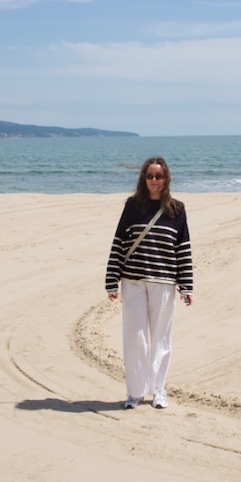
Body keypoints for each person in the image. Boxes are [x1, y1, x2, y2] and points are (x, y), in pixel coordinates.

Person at [105, 157, 193, 410]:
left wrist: (187, 286)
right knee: (135, 338)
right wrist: (111, 280)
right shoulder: (132, 206)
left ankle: (158, 390)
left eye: (159, 176)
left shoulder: (177, 209)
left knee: (161, 339)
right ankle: (134, 393)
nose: (154, 180)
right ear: (143, 178)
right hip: (132, 281)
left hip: (164, 282)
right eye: (150, 176)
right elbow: (119, 243)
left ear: (166, 179)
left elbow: (183, 249)